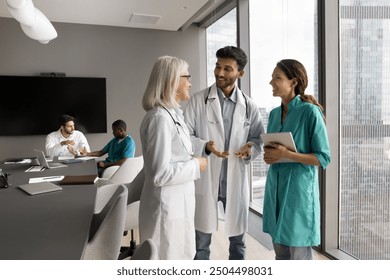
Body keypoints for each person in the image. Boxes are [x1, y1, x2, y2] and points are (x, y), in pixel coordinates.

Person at [183, 46, 265, 260]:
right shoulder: (198, 100)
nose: (219, 72)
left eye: (227, 68)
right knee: (200, 244)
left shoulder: (249, 106)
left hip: (234, 181)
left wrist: (250, 149)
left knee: (238, 243)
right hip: (206, 178)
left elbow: (258, 138)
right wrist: (205, 146)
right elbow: (184, 136)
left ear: (240, 73)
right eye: (218, 66)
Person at [139, 56, 207, 260]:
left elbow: (172, 157)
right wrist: (196, 165)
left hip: (178, 205)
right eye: (187, 77)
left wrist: (192, 158)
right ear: (172, 80)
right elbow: (159, 174)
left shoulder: (173, 115)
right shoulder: (159, 118)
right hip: (166, 210)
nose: (190, 82)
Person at [262, 59, 331, 260]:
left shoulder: (310, 112)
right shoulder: (274, 114)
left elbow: (323, 157)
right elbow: (273, 150)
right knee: (281, 255)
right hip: (275, 190)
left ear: (293, 82)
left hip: (298, 194)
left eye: (277, 78)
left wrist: (287, 154)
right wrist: (271, 156)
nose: (271, 82)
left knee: (299, 258)